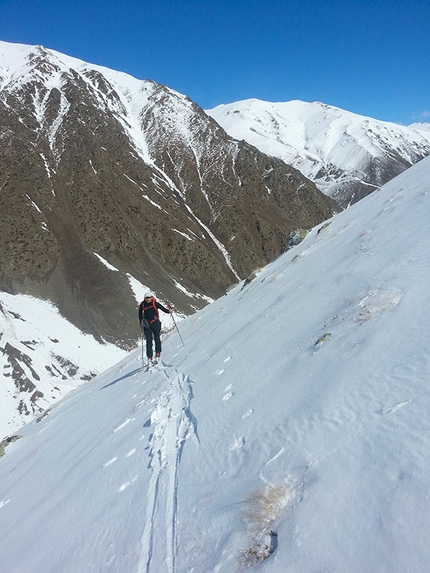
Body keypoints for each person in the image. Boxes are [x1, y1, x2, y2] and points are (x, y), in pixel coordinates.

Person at [138, 293, 172, 364]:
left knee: (157, 339)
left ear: (151, 297)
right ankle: (149, 358)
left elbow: (163, 309)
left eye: (149, 298)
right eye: (146, 298)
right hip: (147, 325)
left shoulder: (155, 303)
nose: (147, 299)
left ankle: (157, 355)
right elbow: (140, 314)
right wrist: (141, 323)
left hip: (155, 323)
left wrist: (169, 311)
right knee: (149, 341)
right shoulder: (142, 305)